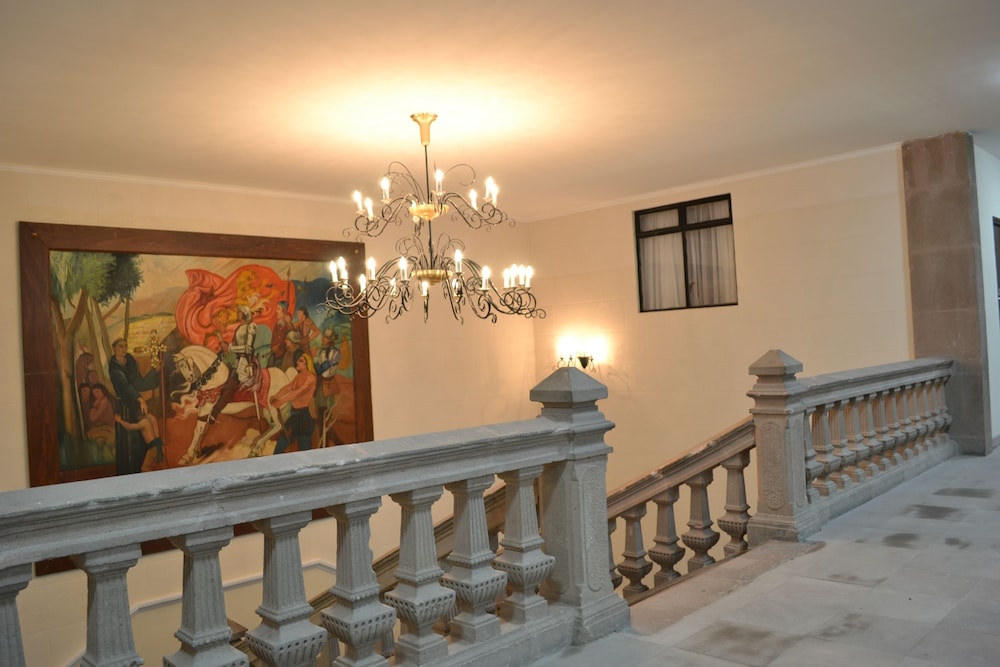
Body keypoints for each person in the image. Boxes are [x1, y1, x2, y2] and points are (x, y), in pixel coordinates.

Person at [108, 338, 160, 475]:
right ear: (114, 348)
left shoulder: (130, 361)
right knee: (128, 441)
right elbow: (125, 386)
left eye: (125, 346)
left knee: (140, 438)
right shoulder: (114, 367)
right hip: (124, 406)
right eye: (120, 346)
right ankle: (128, 473)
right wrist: (140, 399)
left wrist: (154, 372)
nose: (124, 349)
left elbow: (139, 383)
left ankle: (140, 469)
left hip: (135, 404)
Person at [208, 305, 261, 424]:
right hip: (238, 361)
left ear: (245, 314)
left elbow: (248, 348)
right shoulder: (239, 328)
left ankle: (214, 414)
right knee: (226, 386)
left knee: (231, 387)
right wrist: (225, 344)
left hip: (246, 362)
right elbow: (233, 346)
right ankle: (216, 413)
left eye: (240, 312)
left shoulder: (251, 326)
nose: (238, 313)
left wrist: (230, 348)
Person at [270, 351, 317, 454]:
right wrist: (276, 396)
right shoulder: (299, 376)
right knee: (280, 448)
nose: (297, 362)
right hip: (294, 415)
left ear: (307, 364)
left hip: (303, 418)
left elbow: (297, 393)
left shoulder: (311, 378)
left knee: (305, 452)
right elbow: (288, 387)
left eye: (301, 361)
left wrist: (281, 401)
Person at [314, 327, 343, 446]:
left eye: (325, 338)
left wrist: (326, 364)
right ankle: (325, 444)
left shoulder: (335, 352)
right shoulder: (322, 352)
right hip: (321, 384)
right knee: (320, 417)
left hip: (328, 385)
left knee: (325, 417)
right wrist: (326, 363)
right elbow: (318, 369)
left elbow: (322, 368)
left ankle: (332, 443)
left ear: (330, 340)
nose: (322, 339)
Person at [269, 301, 293, 368]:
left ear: (284, 311)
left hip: (284, 355)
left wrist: (279, 347)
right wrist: (273, 347)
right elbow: (273, 339)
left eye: (278, 309)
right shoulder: (277, 324)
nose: (276, 311)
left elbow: (290, 341)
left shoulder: (288, 325)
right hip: (274, 354)